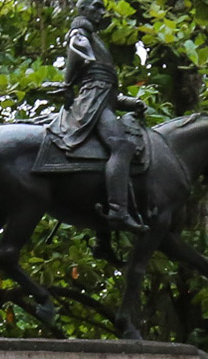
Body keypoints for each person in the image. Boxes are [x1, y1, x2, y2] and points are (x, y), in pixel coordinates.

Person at [46, 0, 149, 232]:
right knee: (121, 146)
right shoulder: (80, 31)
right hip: (92, 104)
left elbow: (104, 88)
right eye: (96, 7)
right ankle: (118, 211)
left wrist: (130, 103)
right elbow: (77, 51)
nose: (102, 12)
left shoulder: (96, 39)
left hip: (101, 101)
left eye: (103, 8)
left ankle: (104, 234)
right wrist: (67, 82)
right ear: (82, 10)